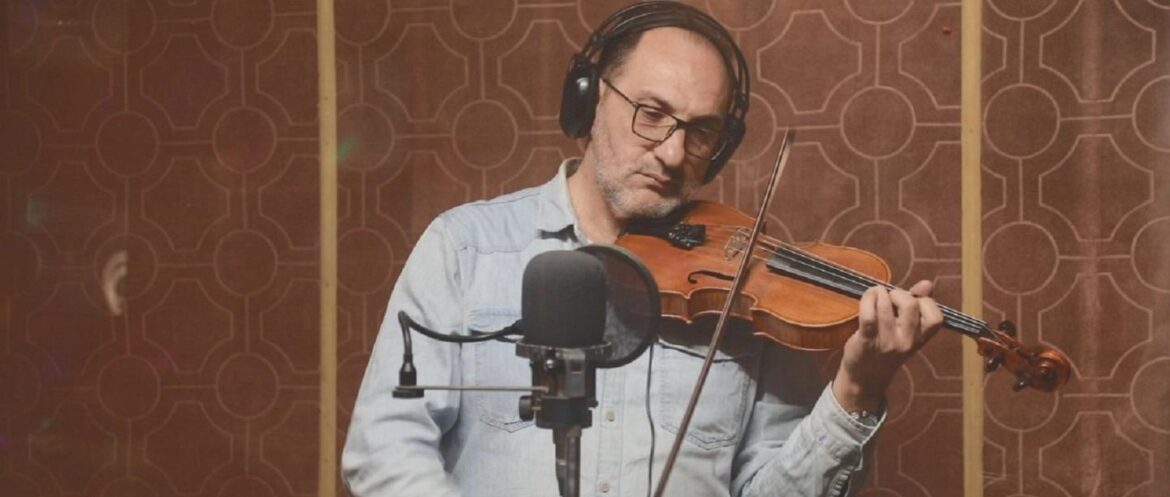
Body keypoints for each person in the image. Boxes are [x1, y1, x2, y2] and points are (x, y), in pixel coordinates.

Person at [341, 2, 944, 496]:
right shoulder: (466, 249)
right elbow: (385, 452)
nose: (674, 154)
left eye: (701, 130)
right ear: (589, 98)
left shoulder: (746, 293)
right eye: (651, 114)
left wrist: (857, 388)